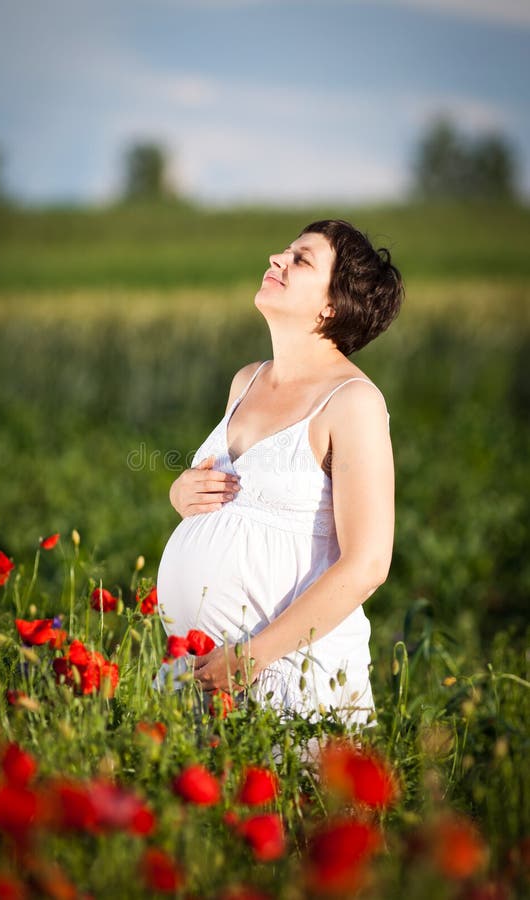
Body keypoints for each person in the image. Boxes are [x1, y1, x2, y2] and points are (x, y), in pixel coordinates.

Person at [155, 219, 404, 728]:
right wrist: (182, 494)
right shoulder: (247, 379)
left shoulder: (353, 402)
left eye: (301, 259)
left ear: (332, 305)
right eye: (285, 252)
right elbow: (237, 498)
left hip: (289, 683)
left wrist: (250, 658)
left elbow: (369, 563)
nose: (277, 259)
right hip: (197, 675)